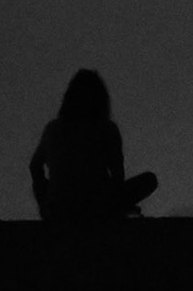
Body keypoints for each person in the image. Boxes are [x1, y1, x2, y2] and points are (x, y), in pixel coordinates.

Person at [30, 69, 158, 221]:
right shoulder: (107, 129)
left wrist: (45, 198)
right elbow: (118, 176)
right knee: (149, 180)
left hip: (58, 208)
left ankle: (52, 208)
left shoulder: (53, 128)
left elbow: (34, 166)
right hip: (97, 207)